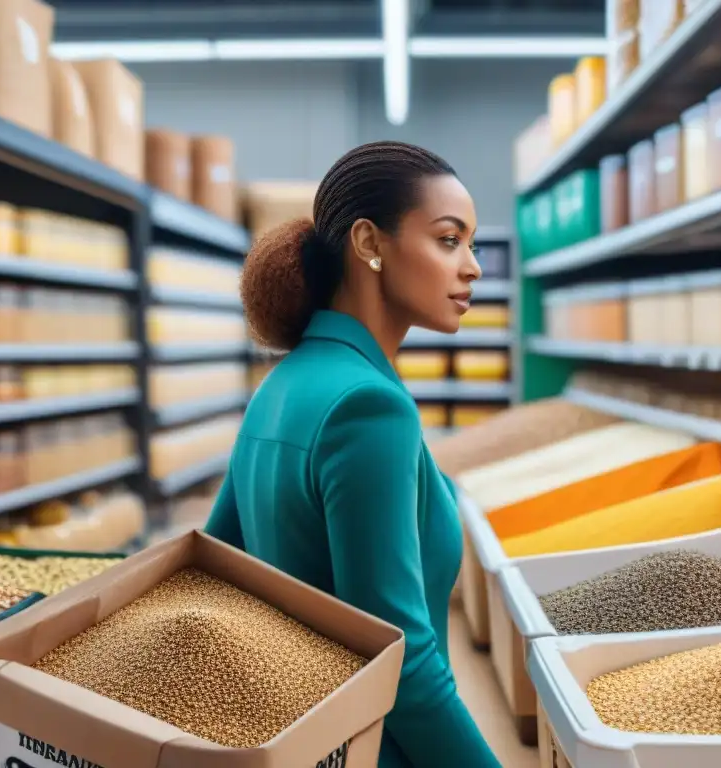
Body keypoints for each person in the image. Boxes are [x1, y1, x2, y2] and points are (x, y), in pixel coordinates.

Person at [204, 141, 502, 767]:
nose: (473, 266)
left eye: (470, 244)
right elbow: (403, 662)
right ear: (369, 244)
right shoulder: (371, 409)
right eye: (449, 240)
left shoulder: (280, 387)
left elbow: (216, 569)